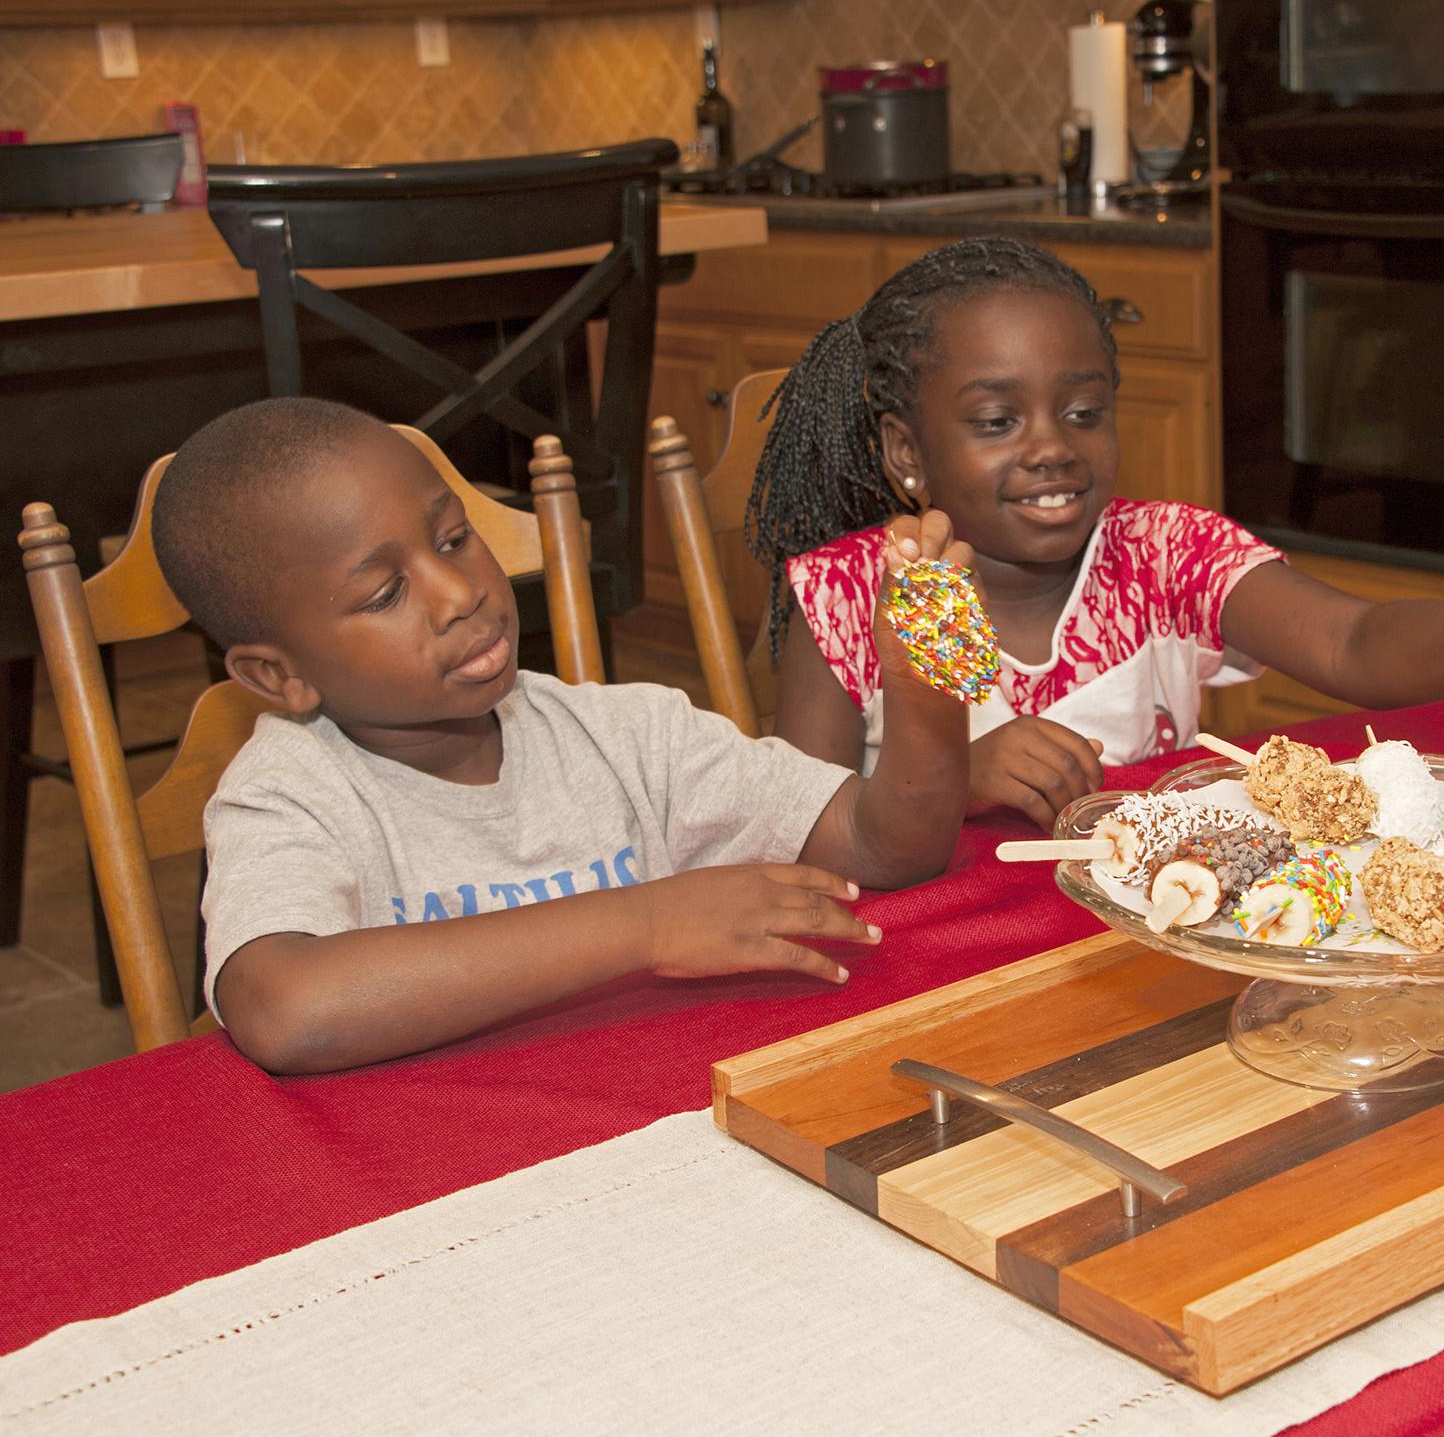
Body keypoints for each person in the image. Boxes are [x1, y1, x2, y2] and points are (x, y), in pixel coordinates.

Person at [151, 398, 972, 1075]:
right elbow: (288, 1008)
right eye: (383, 594)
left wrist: (924, 691)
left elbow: (886, 845)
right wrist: (646, 925)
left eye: (452, 538)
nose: (459, 594)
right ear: (277, 676)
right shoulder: (291, 793)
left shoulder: (628, 737)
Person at [746, 237, 1444, 829]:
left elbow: (1352, 643)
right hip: (941, 966)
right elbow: (802, 826)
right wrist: (951, 780)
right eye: (997, 420)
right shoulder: (847, 596)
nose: (1052, 447)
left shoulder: (1164, 555)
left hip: (1162, 940)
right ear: (907, 452)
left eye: (1084, 412)